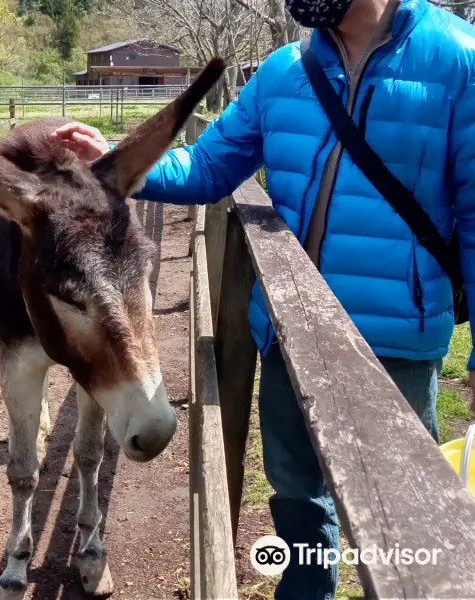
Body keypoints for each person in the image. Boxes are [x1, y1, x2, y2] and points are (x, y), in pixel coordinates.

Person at [51, 0, 475, 597]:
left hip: (397, 339)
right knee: (298, 495)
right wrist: (115, 160)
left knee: (407, 512)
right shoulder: (284, 70)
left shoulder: (459, 61)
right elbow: (207, 166)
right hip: (290, 330)